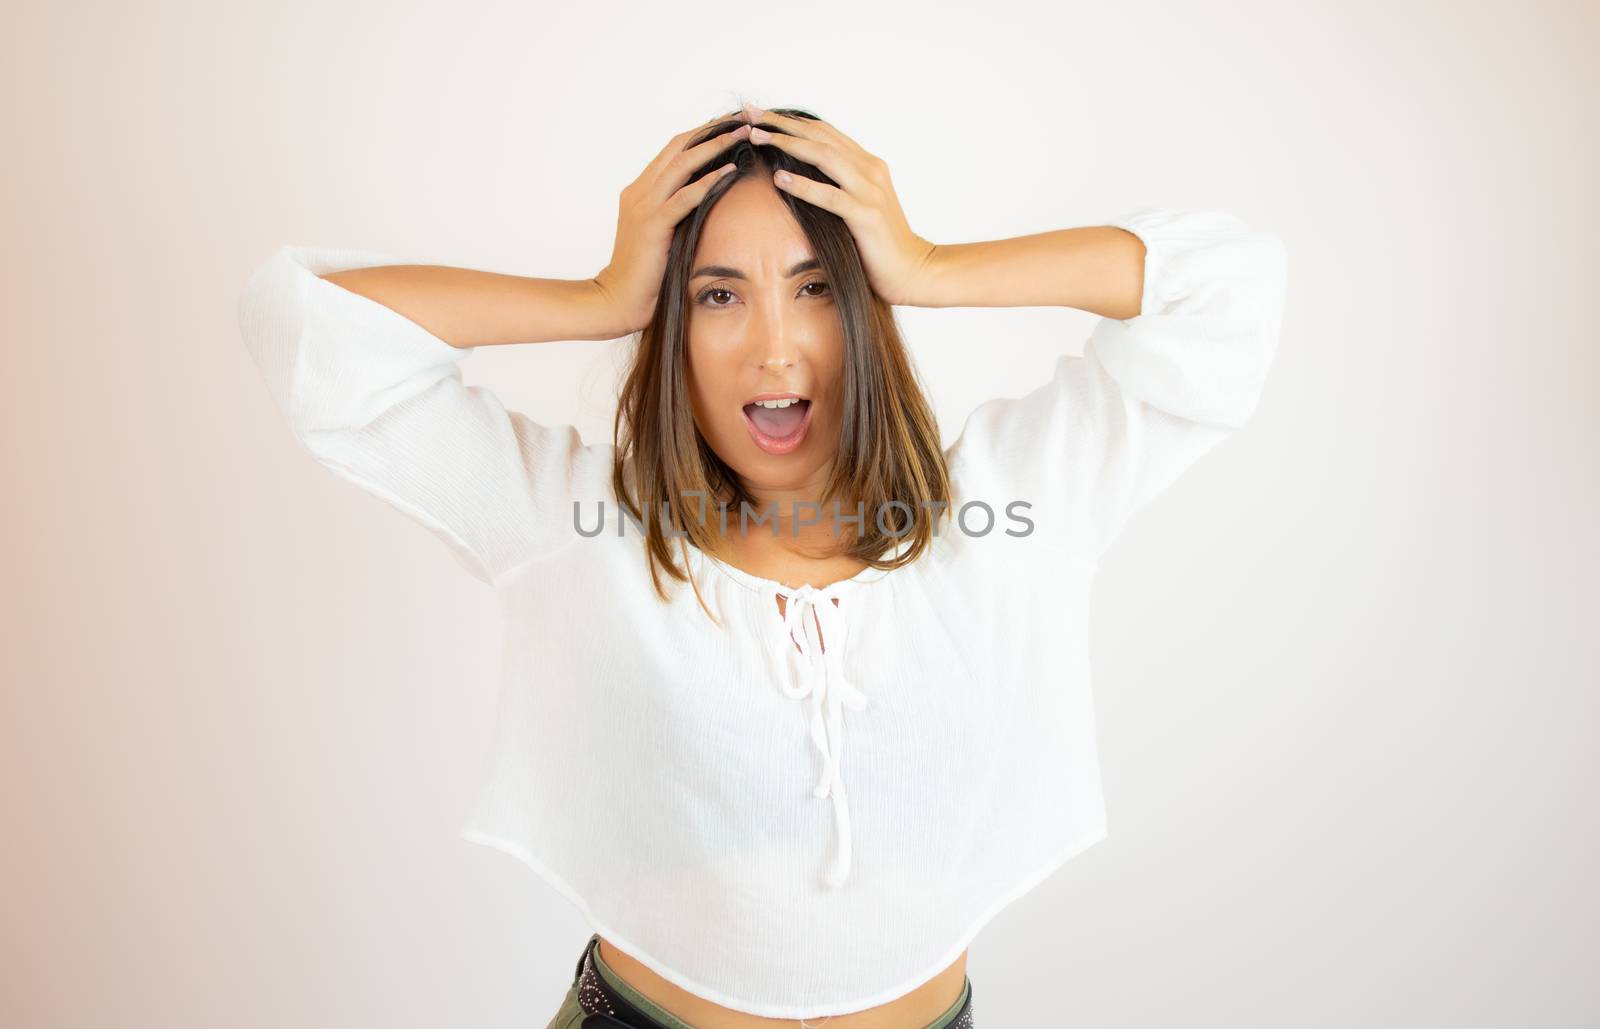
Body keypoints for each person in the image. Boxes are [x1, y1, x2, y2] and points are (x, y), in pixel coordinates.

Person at [236, 102, 1288, 1029]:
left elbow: (1226, 290)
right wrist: (602, 296)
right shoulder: (579, 525)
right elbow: (313, 330)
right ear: (673, 325)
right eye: (718, 296)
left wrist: (929, 266)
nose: (774, 347)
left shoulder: (1011, 507)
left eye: (818, 288)